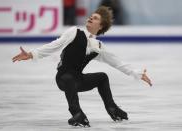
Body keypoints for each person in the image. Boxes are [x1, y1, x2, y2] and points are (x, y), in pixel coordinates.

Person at [12, 6, 152, 127]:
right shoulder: (74, 32)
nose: (90, 18)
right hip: (63, 78)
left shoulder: (98, 46)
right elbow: (54, 45)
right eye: (91, 16)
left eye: (95, 18)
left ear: (101, 25)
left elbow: (117, 63)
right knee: (69, 78)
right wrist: (31, 54)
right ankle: (77, 113)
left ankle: (112, 109)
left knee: (102, 77)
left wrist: (137, 73)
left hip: (78, 79)